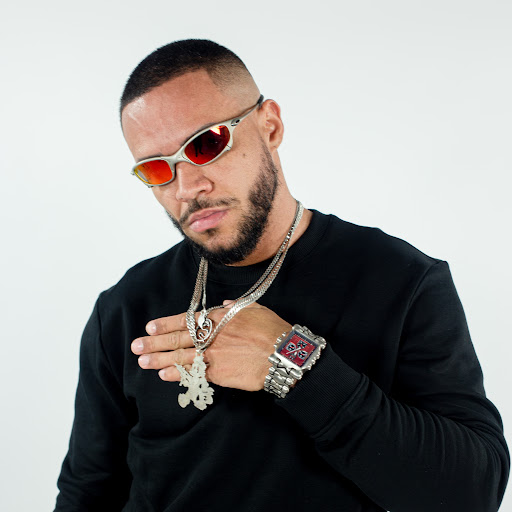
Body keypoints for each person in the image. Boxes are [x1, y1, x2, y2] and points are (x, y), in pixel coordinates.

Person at [55, 39, 509, 512]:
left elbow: (473, 493)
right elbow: (86, 495)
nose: (187, 187)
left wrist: (295, 365)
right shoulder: (125, 308)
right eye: (156, 169)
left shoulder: (402, 280)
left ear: (269, 126)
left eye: (206, 145)